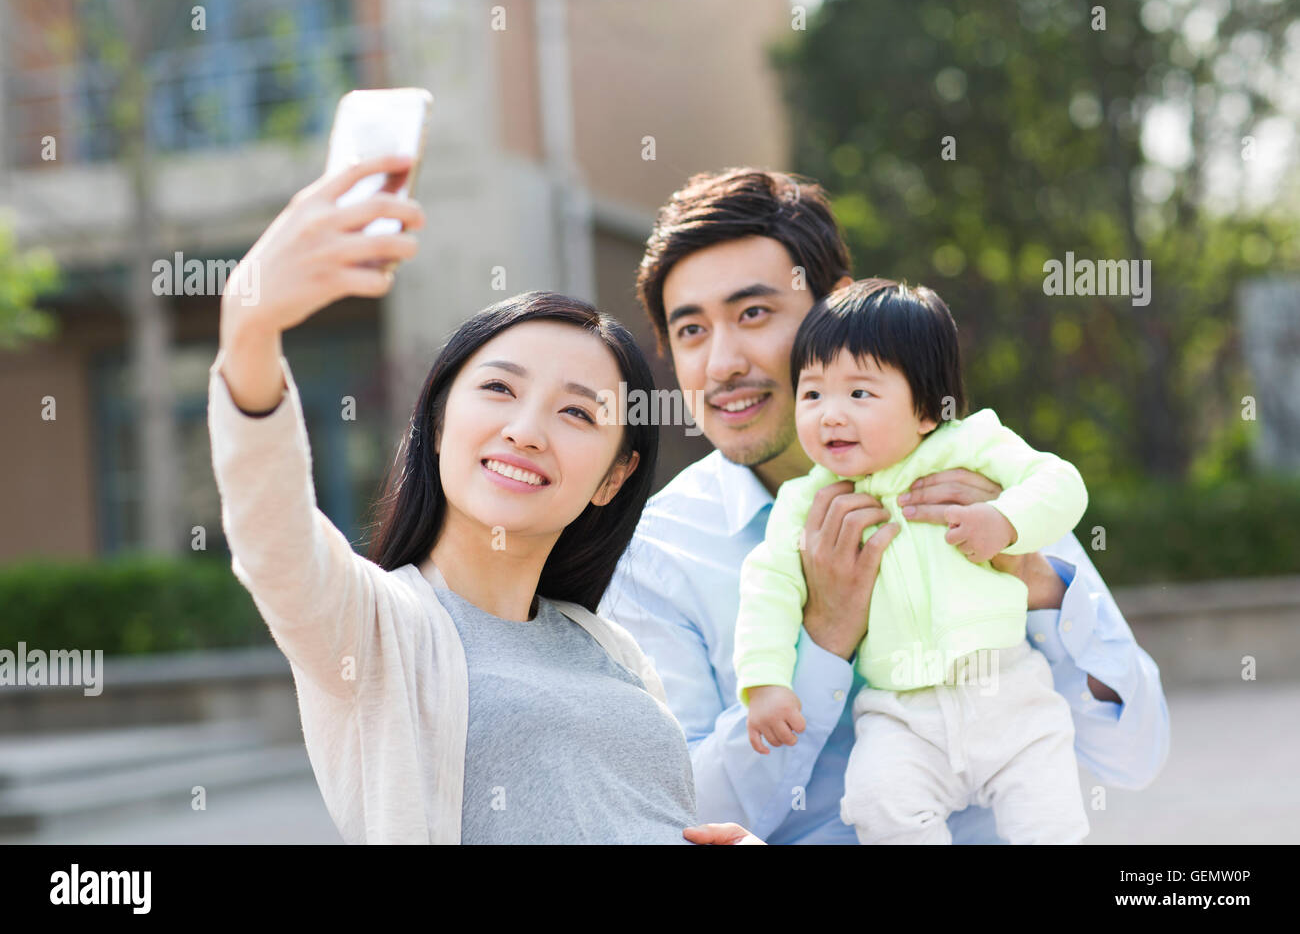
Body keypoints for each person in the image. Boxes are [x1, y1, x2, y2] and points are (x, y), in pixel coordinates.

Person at [598, 167, 1170, 844]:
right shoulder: (656, 557)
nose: (721, 363)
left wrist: (1038, 582)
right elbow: (682, 815)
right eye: (690, 331)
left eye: (754, 313)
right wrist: (824, 638)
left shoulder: (976, 472)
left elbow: (1135, 755)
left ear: (836, 307)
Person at [208, 153, 759, 844]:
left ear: (614, 478)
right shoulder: (375, 630)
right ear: (439, 423)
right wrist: (250, 329)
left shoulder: (609, 647)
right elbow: (273, 536)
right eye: (499, 389)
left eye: (578, 414)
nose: (525, 431)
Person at [735, 278, 1091, 843]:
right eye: (812, 394)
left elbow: (1060, 482)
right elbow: (768, 584)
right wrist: (766, 681)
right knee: (878, 806)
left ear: (927, 409)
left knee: (1049, 820)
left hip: (1007, 691)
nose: (830, 415)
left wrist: (1005, 521)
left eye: (859, 394)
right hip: (900, 711)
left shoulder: (970, 446)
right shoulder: (806, 501)